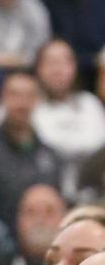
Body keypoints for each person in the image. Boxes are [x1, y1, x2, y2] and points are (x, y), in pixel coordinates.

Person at [0, 71, 64, 235]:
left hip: (41, 239)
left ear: (37, 101)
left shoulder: (51, 155)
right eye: (15, 95)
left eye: (29, 96)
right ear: (2, 98)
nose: (22, 103)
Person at [33, 38, 105, 193]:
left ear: (74, 67)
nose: (57, 69)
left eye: (64, 62)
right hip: (45, 186)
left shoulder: (89, 103)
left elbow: (100, 145)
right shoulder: (26, 104)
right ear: (37, 68)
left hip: (93, 185)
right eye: (50, 62)